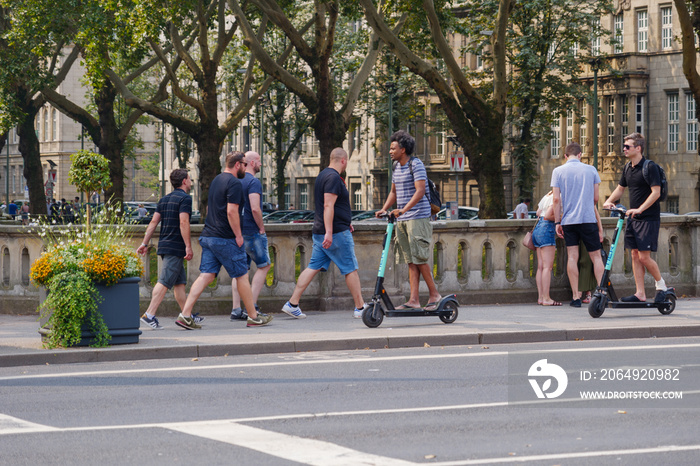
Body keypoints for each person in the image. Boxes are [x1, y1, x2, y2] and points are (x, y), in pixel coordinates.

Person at [177, 151, 272, 329]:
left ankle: (185, 314)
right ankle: (253, 316)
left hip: (209, 235)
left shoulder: (216, 180)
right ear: (237, 165)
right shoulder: (234, 182)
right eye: (244, 164)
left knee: (206, 275)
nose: (245, 167)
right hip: (225, 238)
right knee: (242, 275)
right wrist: (238, 235)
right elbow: (231, 211)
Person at [282, 147, 367, 319]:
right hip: (334, 233)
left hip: (324, 230)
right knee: (350, 268)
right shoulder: (334, 178)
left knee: (313, 266)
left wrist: (344, 222)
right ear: (343, 160)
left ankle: (292, 303)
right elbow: (328, 205)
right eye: (346, 162)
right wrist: (330, 232)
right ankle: (360, 307)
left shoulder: (322, 176)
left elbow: (330, 206)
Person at [375, 130, 441, 310]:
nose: (390, 151)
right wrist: (384, 208)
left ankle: (435, 294)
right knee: (411, 260)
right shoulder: (397, 167)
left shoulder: (416, 164)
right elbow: (393, 193)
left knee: (420, 258)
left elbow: (420, 191)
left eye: (393, 148)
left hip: (418, 218)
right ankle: (414, 300)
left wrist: (403, 209)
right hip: (403, 220)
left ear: (402, 149)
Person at [603, 132, 668, 303]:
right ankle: (640, 294)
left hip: (648, 218)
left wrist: (639, 209)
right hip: (633, 218)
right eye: (624, 146)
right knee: (634, 255)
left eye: (627, 146)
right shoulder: (627, 167)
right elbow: (620, 188)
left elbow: (656, 193)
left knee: (644, 257)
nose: (624, 149)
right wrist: (609, 201)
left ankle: (661, 285)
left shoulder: (649, 167)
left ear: (638, 148)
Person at [137, 169, 195, 330]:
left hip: (164, 245)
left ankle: (187, 315)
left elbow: (153, 223)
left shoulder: (164, 199)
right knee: (164, 281)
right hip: (176, 246)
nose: (190, 181)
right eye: (189, 179)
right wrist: (188, 246)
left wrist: (144, 243)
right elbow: (184, 223)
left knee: (179, 283)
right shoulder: (185, 199)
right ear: (184, 181)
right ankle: (149, 314)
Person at [551, 141, 605, 308]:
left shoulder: (558, 171)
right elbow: (596, 198)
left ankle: (575, 296)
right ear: (580, 155)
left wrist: (557, 222)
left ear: (566, 156)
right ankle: (602, 293)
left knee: (572, 256)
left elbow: (556, 199)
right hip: (588, 219)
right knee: (596, 256)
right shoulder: (591, 170)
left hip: (569, 220)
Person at [230, 151, 273, 320]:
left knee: (240, 272)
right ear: (252, 163)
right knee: (264, 266)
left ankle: (236, 309)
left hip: (237, 230)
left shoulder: (235, 181)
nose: (261, 164)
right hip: (251, 230)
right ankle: (251, 307)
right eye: (259, 161)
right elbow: (255, 208)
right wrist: (261, 227)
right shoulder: (253, 182)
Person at [532, 190, 560, 306]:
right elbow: (548, 215)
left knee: (540, 267)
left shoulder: (547, 195)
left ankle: (541, 297)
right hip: (547, 228)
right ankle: (547, 298)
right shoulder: (557, 196)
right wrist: (561, 217)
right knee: (547, 267)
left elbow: (539, 212)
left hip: (537, 229)